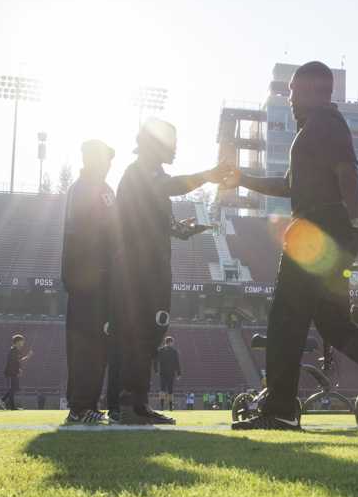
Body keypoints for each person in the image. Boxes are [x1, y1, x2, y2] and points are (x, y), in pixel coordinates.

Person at [224, 61, 358, 430]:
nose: (289, 99)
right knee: (337, 327)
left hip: (318, 230)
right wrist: (243, 178)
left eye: (292, 91)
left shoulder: (325, 123)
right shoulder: (313, 131)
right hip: (330, 232)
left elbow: (347, 173)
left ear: (311, 90)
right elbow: (289, 185)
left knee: (286, 317)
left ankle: (279, 408)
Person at [111, 118, 231, 425]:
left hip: (150, 265)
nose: (176, 149)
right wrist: (207, 175)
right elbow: (166, 188)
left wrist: (185, 230)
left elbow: (163, 221)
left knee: (151, 331)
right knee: (142, 331)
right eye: (171, 143)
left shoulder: (152, 175)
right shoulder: (138, 173)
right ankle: (129, 402)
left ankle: (135, 403)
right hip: (140, 268)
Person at [62, 139, 117, 425]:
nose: (109, 165)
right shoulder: (84, 189)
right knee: (85, 346)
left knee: (98, 347)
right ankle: (80, 405)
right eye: (105, 159)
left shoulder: (102, 189)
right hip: (86, 281)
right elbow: (84, 233)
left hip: (100, 280)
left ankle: (88, 403)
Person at [0, 334, 32, 410]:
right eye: (22, 342)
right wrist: (28, 357)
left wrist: (18, 369)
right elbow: (17, 361)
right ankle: (2, 400)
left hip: (12, 371)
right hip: (11, 372)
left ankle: (10, 406)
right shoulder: (14, 351)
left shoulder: (15, 350)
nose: (23, 343)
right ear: (17, 342)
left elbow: (16, 362)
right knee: (14, 388)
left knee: (14, 388)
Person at [154, 336, 182, 411]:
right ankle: (170, 407)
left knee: (162, 389)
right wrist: (179, 373)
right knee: (170, 390)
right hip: (171, 372)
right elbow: (177, 363)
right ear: (170, 342)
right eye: (172, 342)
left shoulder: (160, 350)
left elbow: (155, 361)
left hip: (162, 372)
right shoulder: (174, 351)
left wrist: (156, 370)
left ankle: (162, 406)